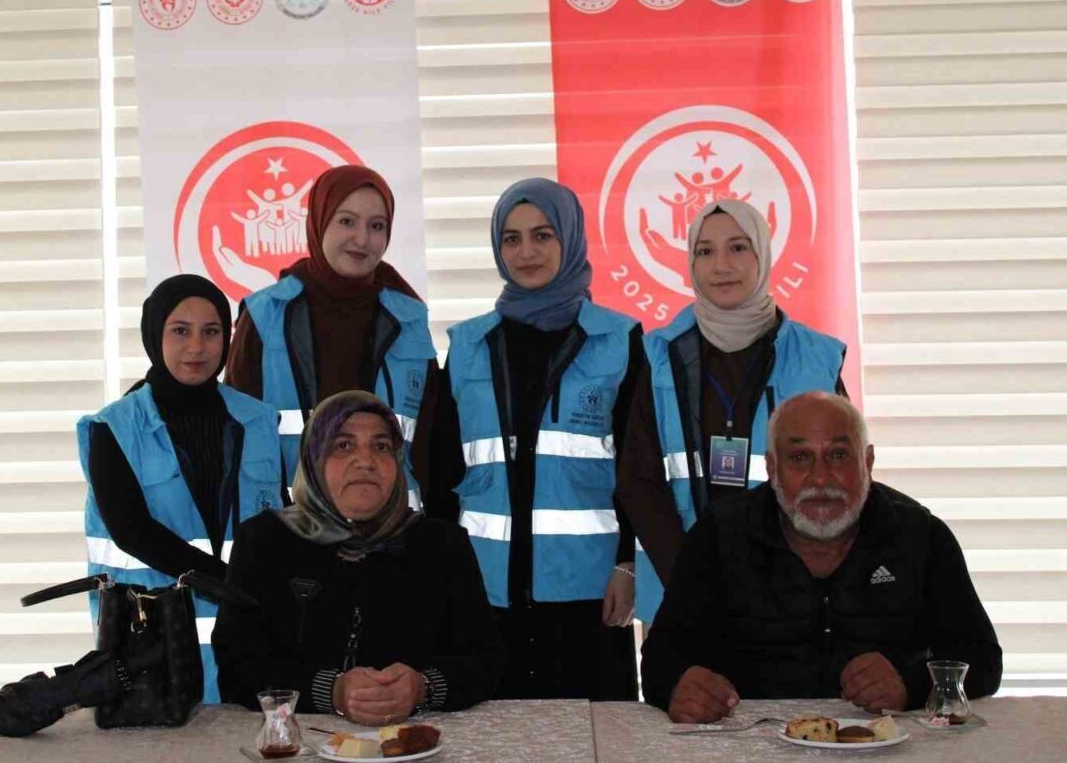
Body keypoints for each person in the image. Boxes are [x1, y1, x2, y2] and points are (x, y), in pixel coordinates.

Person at [640, 391, 1002, 722]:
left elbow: (982, 660)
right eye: (800, 458)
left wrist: (912, 685)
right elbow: (661, 658)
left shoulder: (921, 536)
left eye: (839, 455)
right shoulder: (719, 535)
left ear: (868, 461)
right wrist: (679, 686)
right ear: (771, 468)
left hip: (889, 745)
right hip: (750, 743)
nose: (820, 478)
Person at [428, 177, 643, 701]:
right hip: (486, 592)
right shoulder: (470, 344)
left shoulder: (620, 340)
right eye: (512, 238)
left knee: (595, 742)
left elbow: (640, 469)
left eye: (543, 235)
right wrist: (440, 578)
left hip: (590, 592)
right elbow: (440, 470)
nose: (526, 252)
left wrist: (628, 563)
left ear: (569, 239)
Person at [617, 199, 848, 624]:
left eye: (738, 247)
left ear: (763, 254)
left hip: (791, 594)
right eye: (705, 251)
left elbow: (842, 477)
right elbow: (638, 479)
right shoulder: (659, 354)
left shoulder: (817, 357)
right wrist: (691, 580)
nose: (721, 265)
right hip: (681, 593)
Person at [213, 391, 504, 723]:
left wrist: (423, 688)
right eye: (343, 446)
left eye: (381, 447)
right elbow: (237, 669)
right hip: (302, 743)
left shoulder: (441, 544)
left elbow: (485, 662)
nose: (365, 461)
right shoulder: (265, 541)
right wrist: (331, 691)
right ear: (312, 460)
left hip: (412, 743)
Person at [78, 274, 284, 704]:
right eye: (180, 331)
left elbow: (279, 522)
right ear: (155, 335)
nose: (197, 347)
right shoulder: (114, 428)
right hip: (150, 648)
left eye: (211, 332)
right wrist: (236, 586)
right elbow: (131, 531)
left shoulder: (259, 420)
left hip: (247, 647)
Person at [225, 164, 437, 509]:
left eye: (377, 226)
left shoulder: (408, 320)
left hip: (391, 532)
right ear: (319, 222)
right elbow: (235, 437)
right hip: (293, 531)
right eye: (347, 221)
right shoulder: (266, 316)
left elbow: (431, 444)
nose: (362, 239)